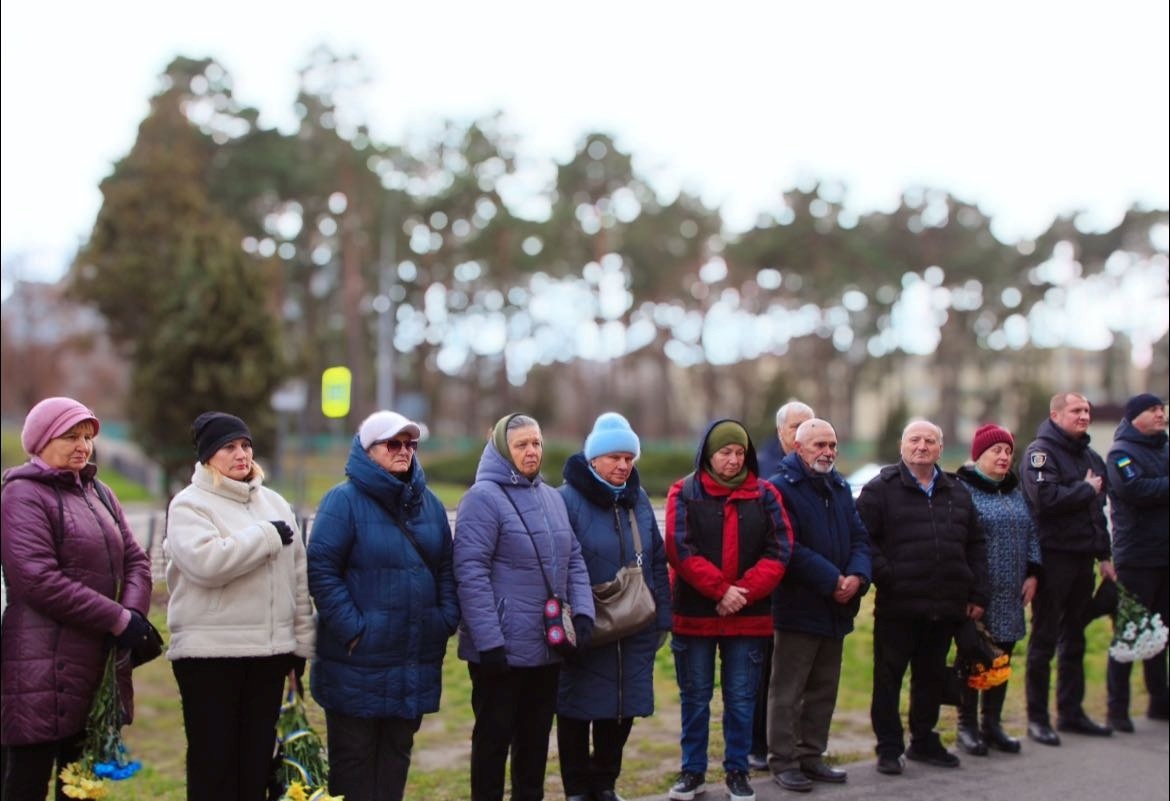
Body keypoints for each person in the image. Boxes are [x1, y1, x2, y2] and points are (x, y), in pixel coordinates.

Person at [1, 397, 153, 801]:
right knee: (25, 782)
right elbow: (37, 579)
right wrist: (118, 619)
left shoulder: (99, 492)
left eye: (87, 437)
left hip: (96, 664)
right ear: (41, 440)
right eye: (70, 436)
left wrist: (134, 615)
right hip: (39, 668)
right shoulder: (22, 494)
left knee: (84, 785)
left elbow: (136, 559)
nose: (82, 446)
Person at [307, 411, 460, 801]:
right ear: (369, 449)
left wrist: (443, 619)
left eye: (410, 444)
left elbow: (446, 567)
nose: (404, 451)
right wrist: (355, 630)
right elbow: (322, 572)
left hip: (412, 657)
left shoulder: (430, 504)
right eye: (394, 444)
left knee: (396, 759)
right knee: (353, 765)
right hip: (357, 663)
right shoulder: (342, 501)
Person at [165, 411, 315, 801]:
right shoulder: (189, 505)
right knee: (214, 768)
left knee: (256, 768)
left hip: (268, 655)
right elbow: (207, 563)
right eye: (228, 447)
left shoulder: (276, 503)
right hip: (210, 657)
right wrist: (265, 536)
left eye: (246, 445)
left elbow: (298, 579)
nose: (241, 454)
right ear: (207, 456)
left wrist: (300, 644)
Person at [454, 413, 595, 801]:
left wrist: (583, 614)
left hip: (547, 645)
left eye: (536, 443)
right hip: (499, 651)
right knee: (493, 743)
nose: (532, 451)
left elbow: (575, 559)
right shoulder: (482, 499)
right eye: (521, 445)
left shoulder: (551, 497)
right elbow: (470, 573)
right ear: (503, 449)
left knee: (534, 744)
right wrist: (489, 642)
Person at [664, 419, 793, 801]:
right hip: (694, 615)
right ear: (708, 454)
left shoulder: (766, 495)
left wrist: (743, 593)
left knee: (740, 699)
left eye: (739, 452)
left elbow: (780, 548)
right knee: (696, 698)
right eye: (725, 452)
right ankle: (693, 772)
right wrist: (721, 590)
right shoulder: (683, 492)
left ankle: (738, 771)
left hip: (748, 618)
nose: (733, 460)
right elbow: (679, 547)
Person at [855, 419, 988, 776]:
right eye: (915, 439)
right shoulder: (880, 489)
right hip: (899, 605)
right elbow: (864, 540)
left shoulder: (957, 491)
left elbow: (975, 543)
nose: (922, 446)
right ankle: (888, 747)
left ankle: (924, 739)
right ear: (902, 445)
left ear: (940, 449)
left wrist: (977, 593)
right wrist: (890, 575)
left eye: (930, 440)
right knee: (888, 678)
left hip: (946, 605)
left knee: (930, 676)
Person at [555, 413, 673, 801]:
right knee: (575, 708)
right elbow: (555, 565)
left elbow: (657, 558)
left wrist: (662, 617)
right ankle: (576, 788)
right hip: (586, 624)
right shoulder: (564, 500)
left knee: (623, 707)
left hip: (636, 622)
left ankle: (605, 783)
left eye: (629, 458)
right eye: (614, 458)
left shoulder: (638, 500)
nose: (624, 465)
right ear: (593, 460)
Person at [763, 418, 871, 792]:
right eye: (819, 445)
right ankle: (784, 760)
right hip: (798, 606)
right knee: (788, 691)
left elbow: (859, 536)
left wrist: (856, 576)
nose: (827, 452)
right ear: (798, 448)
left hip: (837, 608)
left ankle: (811, 754)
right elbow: (787, 547)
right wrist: (832, 580)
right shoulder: (779, 489)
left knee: (824, 688)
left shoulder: (840, 487)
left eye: (832, 445)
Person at [1020, 392, 1115, 745]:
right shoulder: (1040, 453)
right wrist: (1085, 489)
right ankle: (1037, 719)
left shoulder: (1090, 456)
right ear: (1056, 414)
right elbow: (1045, 501)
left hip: (1082, 558)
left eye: (1087, 410)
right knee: (1045, 639)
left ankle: (1071, 712)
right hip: (1052, 557)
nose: (1084, 416)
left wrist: (1104, 556)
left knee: (1075, 638)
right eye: (1076, 410)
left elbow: (1098, 512)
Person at [954, 423, 1042, 755]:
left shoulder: (1014, 490)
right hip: (978, 593)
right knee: (974, 656)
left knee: (1002, 657)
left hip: (1012, 593)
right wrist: (968, 590)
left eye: (1008, 451)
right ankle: (968, 726)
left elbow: (1032, 532)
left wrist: (1033, 573)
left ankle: (993, 723)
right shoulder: (963, 490)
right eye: (996, 451)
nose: (1004, 457)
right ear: (979, 455)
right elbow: (958, 542)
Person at [750, 400, 814, 771]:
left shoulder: (821, 469)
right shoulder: (766, 470)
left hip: (809, 592)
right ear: (781, 432)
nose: (803, 432)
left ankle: (797, 742)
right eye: (796, 427)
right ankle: (759, 743)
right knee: (767, 673)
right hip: (774, 590)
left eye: (810, 424)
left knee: (799, 676)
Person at [1104, 393, 1169, 730]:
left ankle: (1160, 702)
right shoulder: (1121, 453)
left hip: (1165, 556)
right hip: (1137, 557)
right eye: (1153, 410)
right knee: (1130, 631)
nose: (1161, 414)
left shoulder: (1164, 448)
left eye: (1162, 409)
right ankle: (1117, 709)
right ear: (1133, 417)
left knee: (1160, 632)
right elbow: (1136, 490)